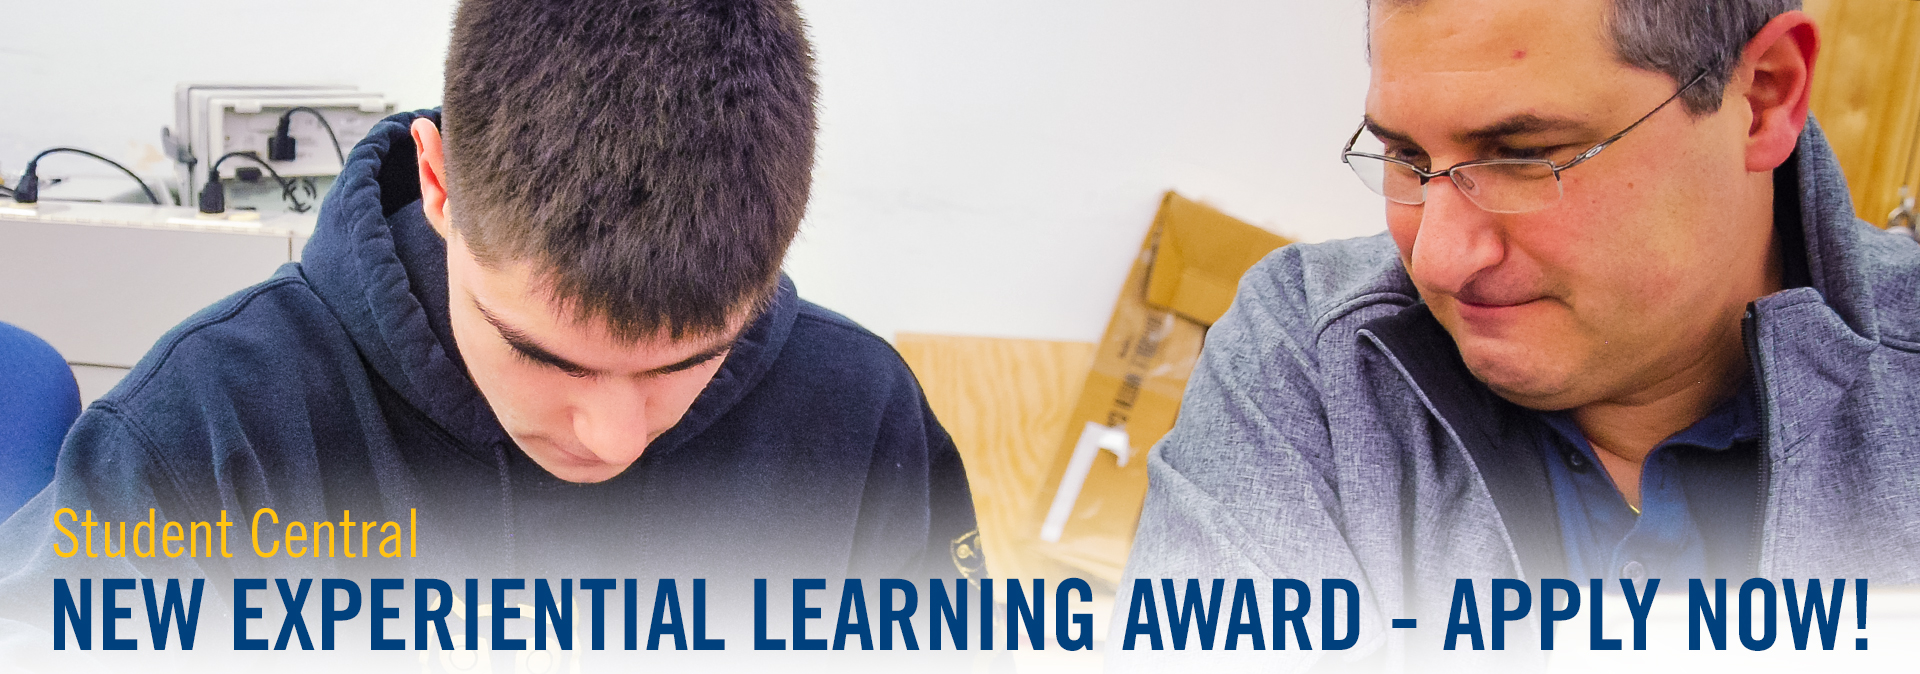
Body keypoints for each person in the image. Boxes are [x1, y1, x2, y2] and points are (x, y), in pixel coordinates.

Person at [0, 0, 981, 645]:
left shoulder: (863, 423)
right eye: (545, 355)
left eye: (689, 362)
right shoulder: (203, 438)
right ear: (439, 184)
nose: (615, 437)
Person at [1120, 0, 1920, 664]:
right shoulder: (1314, 355)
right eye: (1405, 157)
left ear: (1764, 97)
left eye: (1525, 156)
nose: (1438, 259)